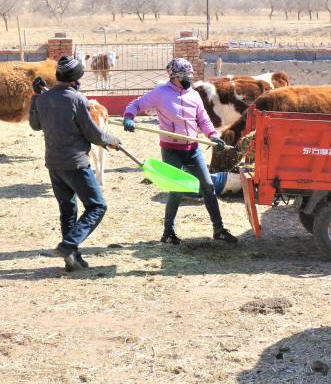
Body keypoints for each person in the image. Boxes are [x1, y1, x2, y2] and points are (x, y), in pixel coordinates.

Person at [123, 58, 237, 246]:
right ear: (174, 77)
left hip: (192, 149)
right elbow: (136, 104)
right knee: (176, 190)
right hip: (171, 150)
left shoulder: (193, 95)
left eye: (190, 76)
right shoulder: (160, 93)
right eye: (185, 76)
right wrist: (129, 117)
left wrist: (212, 135)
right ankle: (168, 232)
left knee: (208, 186)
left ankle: (219, 229)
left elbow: (203, 119)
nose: (188, 79)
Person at [29, 56, 122, 271]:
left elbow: (35, 125)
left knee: (68, 210)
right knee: (97, 205)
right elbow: (92, 133)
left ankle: (72, 259)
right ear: (74, 79)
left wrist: (35, 97)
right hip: (76, 164)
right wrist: (112, 140)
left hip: (54, 164)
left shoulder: (44, 98)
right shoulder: (77, 99)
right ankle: (69, 245)